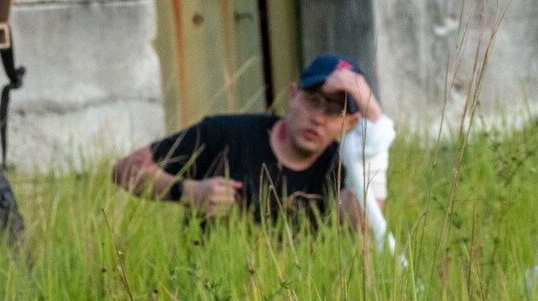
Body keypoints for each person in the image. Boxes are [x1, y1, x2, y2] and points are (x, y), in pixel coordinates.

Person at [112, 54, 396, 240]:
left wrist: (375, 120)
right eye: (313, 101)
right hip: (207, 297)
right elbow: (124, 170)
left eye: (335, 111)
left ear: (350, 123)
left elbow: (365, 222)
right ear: (293, 95)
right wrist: (188, 191)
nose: (319, 118)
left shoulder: (344, 169)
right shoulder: (226, 134)